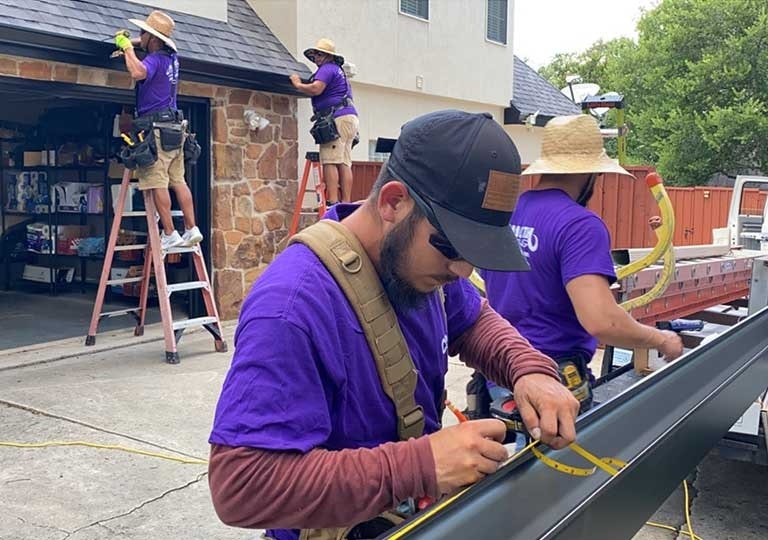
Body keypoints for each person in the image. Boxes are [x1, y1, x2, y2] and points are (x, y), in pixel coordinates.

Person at [208, 110, 579, 540]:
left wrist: (528, 369)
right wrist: (421, 465)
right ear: (393, 202)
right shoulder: (292, 307)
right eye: (453, 248)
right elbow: (241, 486)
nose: (462, 270)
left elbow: (473, 320)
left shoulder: (418, 267)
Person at [479, 114, 684, 409]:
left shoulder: (510, 212)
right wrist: (661, 339)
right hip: (551, 382)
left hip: (500, 370)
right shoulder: (580, 225)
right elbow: (602, 320)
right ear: (589, 173)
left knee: (518, 456)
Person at [114, 10, 203, 250]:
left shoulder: (153, 60)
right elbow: (146, 44)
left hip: (155, 129)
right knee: (179, 180)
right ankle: (191, 228)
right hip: (175, 127)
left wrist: (128, 50)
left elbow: (137, 72)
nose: (140, 36)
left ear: (152, 39)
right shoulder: (171, 57)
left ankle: (170, 233)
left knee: (157, 182)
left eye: (143, 33)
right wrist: (126, 43)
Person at [290, 38, 359, 206]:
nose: (317, 58)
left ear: (329, 56)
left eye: (320, 54)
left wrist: (298, 84)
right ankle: (346, 202)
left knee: (330, 160)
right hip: (349, 118)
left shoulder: (327, 69)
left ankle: (333, 201)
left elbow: (316, 88)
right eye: (315, 55)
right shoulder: (340, 73)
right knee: (344, 161)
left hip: (336, 117)